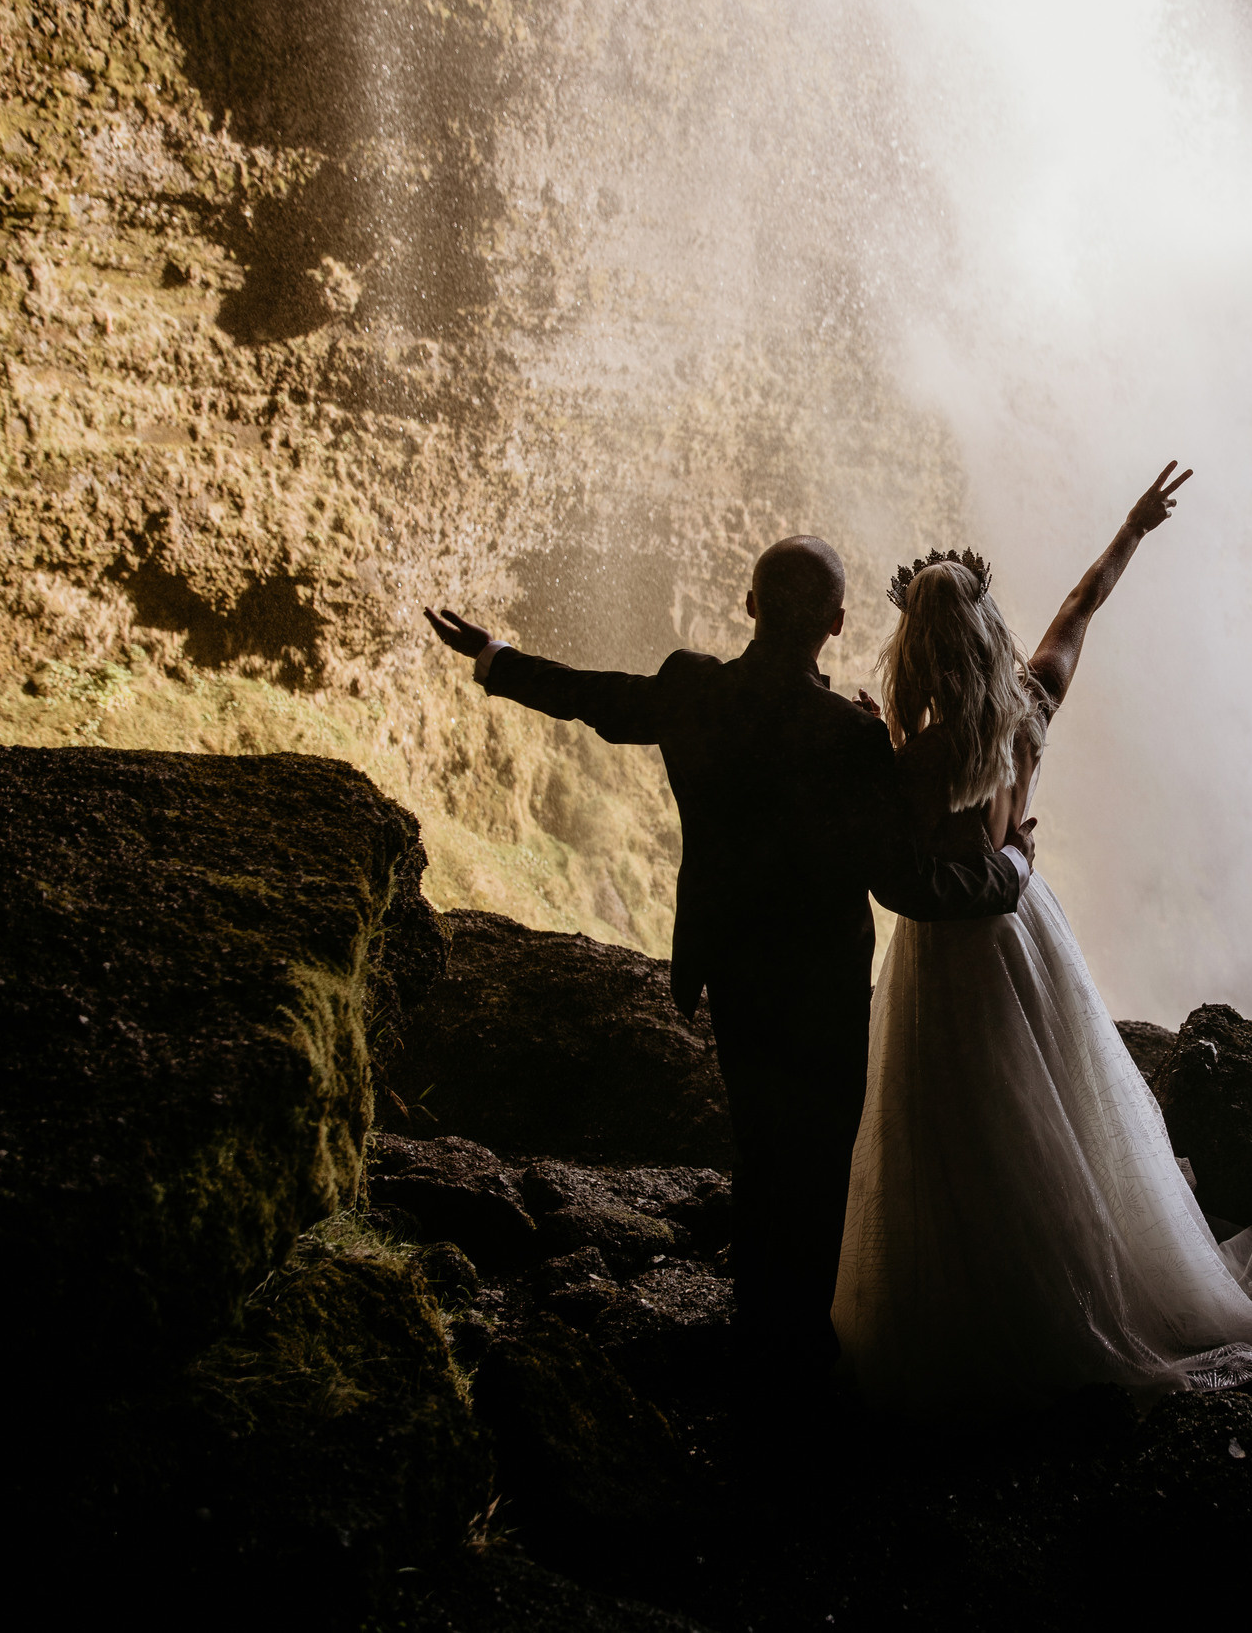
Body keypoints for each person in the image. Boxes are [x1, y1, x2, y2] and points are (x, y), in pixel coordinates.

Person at [424, 537, 1030, 1382]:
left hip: (734, 974)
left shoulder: (694, 691)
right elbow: (909, 885)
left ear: (750, 606)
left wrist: (497, 659)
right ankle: (799, 1358)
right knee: (817, 1171)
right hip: (822, 989)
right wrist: (1008, 870)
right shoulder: (850, 737)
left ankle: (757, 1335)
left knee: (760, 1152)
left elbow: (597, 700)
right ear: (837, 623)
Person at [831, 461, 1252, 1413]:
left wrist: (875, 747)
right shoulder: (1032, 704)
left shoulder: (921, 758)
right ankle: (1073, 1283)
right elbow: (1080, 606)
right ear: (987, 632)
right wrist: (1133, 526)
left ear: (918, 650)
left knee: (958, 1131)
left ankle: (975, 1313)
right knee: (1058, 1119)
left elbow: (904, 861)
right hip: (1029, 939)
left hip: (950, 956)